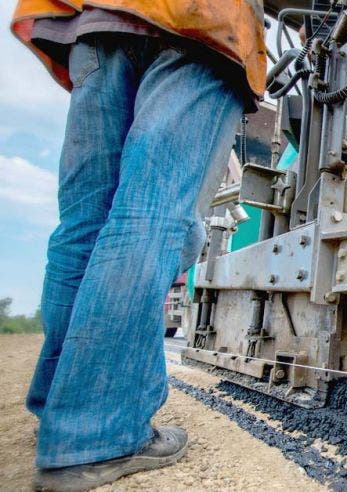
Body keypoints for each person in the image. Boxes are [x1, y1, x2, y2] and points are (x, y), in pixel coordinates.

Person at [10, 2, 265, 490]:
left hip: (98, 24)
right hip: (199, 22)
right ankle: (100, 433)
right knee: (152, 218)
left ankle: (60, 411)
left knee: (82, 228)